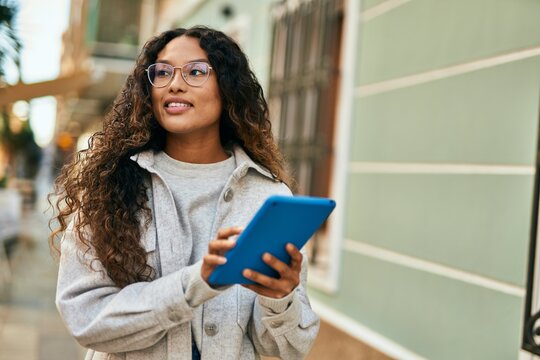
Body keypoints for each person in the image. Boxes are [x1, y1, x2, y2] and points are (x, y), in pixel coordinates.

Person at [49, 26, 320, 360]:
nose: (174, 83)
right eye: (162, 72)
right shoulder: (109, 186)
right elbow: (85, 320)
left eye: (195, 71)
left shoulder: (268, 196)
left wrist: (281, 298)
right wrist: (196, 282)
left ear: (228, 87)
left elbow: (289, 349)